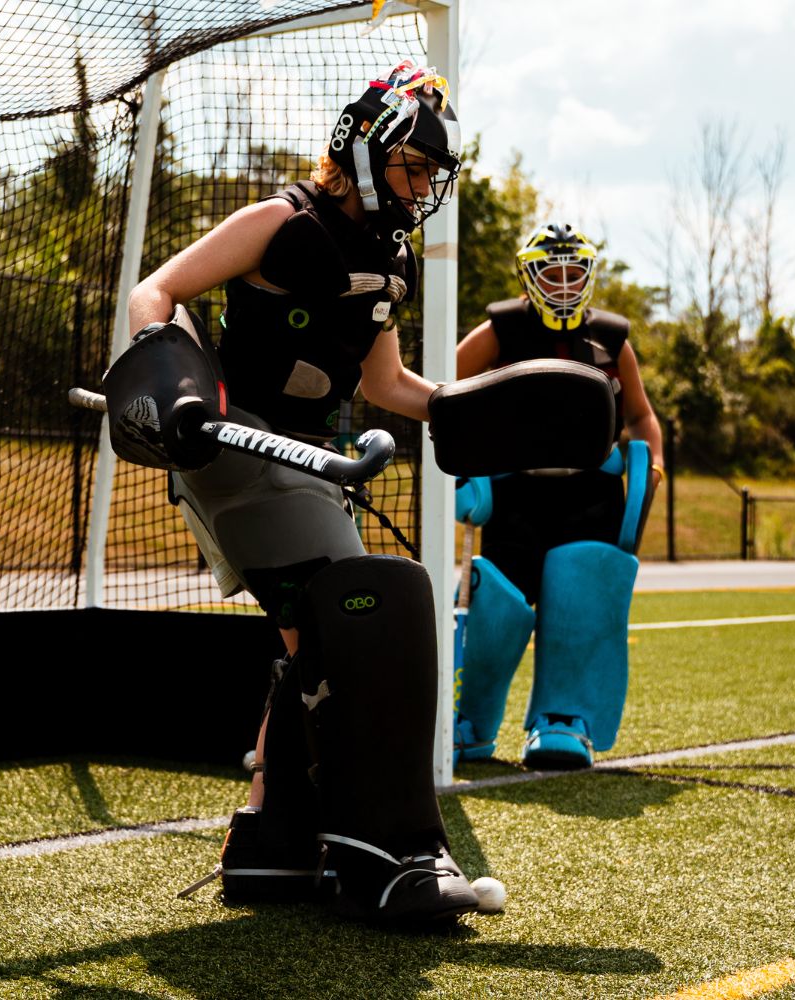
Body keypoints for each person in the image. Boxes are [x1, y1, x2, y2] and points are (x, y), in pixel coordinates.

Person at [101, 60, 478, 922]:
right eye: (411, 165)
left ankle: (273, 844)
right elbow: (155, 291)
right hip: (234, 447)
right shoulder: (281, 220)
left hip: (311, 465)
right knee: (363, 610)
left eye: (431, 172)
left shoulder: (390, 263)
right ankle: (384, 852)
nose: (422, 185)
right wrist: (173, 380)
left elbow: (385, 384)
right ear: (362, 147)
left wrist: (469, 408)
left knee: (323, 629)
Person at [451, 223, 665, 770]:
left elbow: (640, 415)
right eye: (553, 271)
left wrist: (652, 461)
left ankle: (563, 721)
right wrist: (463, 467)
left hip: (591, 494)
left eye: (575, 271)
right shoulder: (501, 330)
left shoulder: (613, 339)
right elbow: (439, 390)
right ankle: (467, 722)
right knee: (494, 602)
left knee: (582, 597)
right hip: (514, 492)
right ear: (529, 276)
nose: (565, 282)